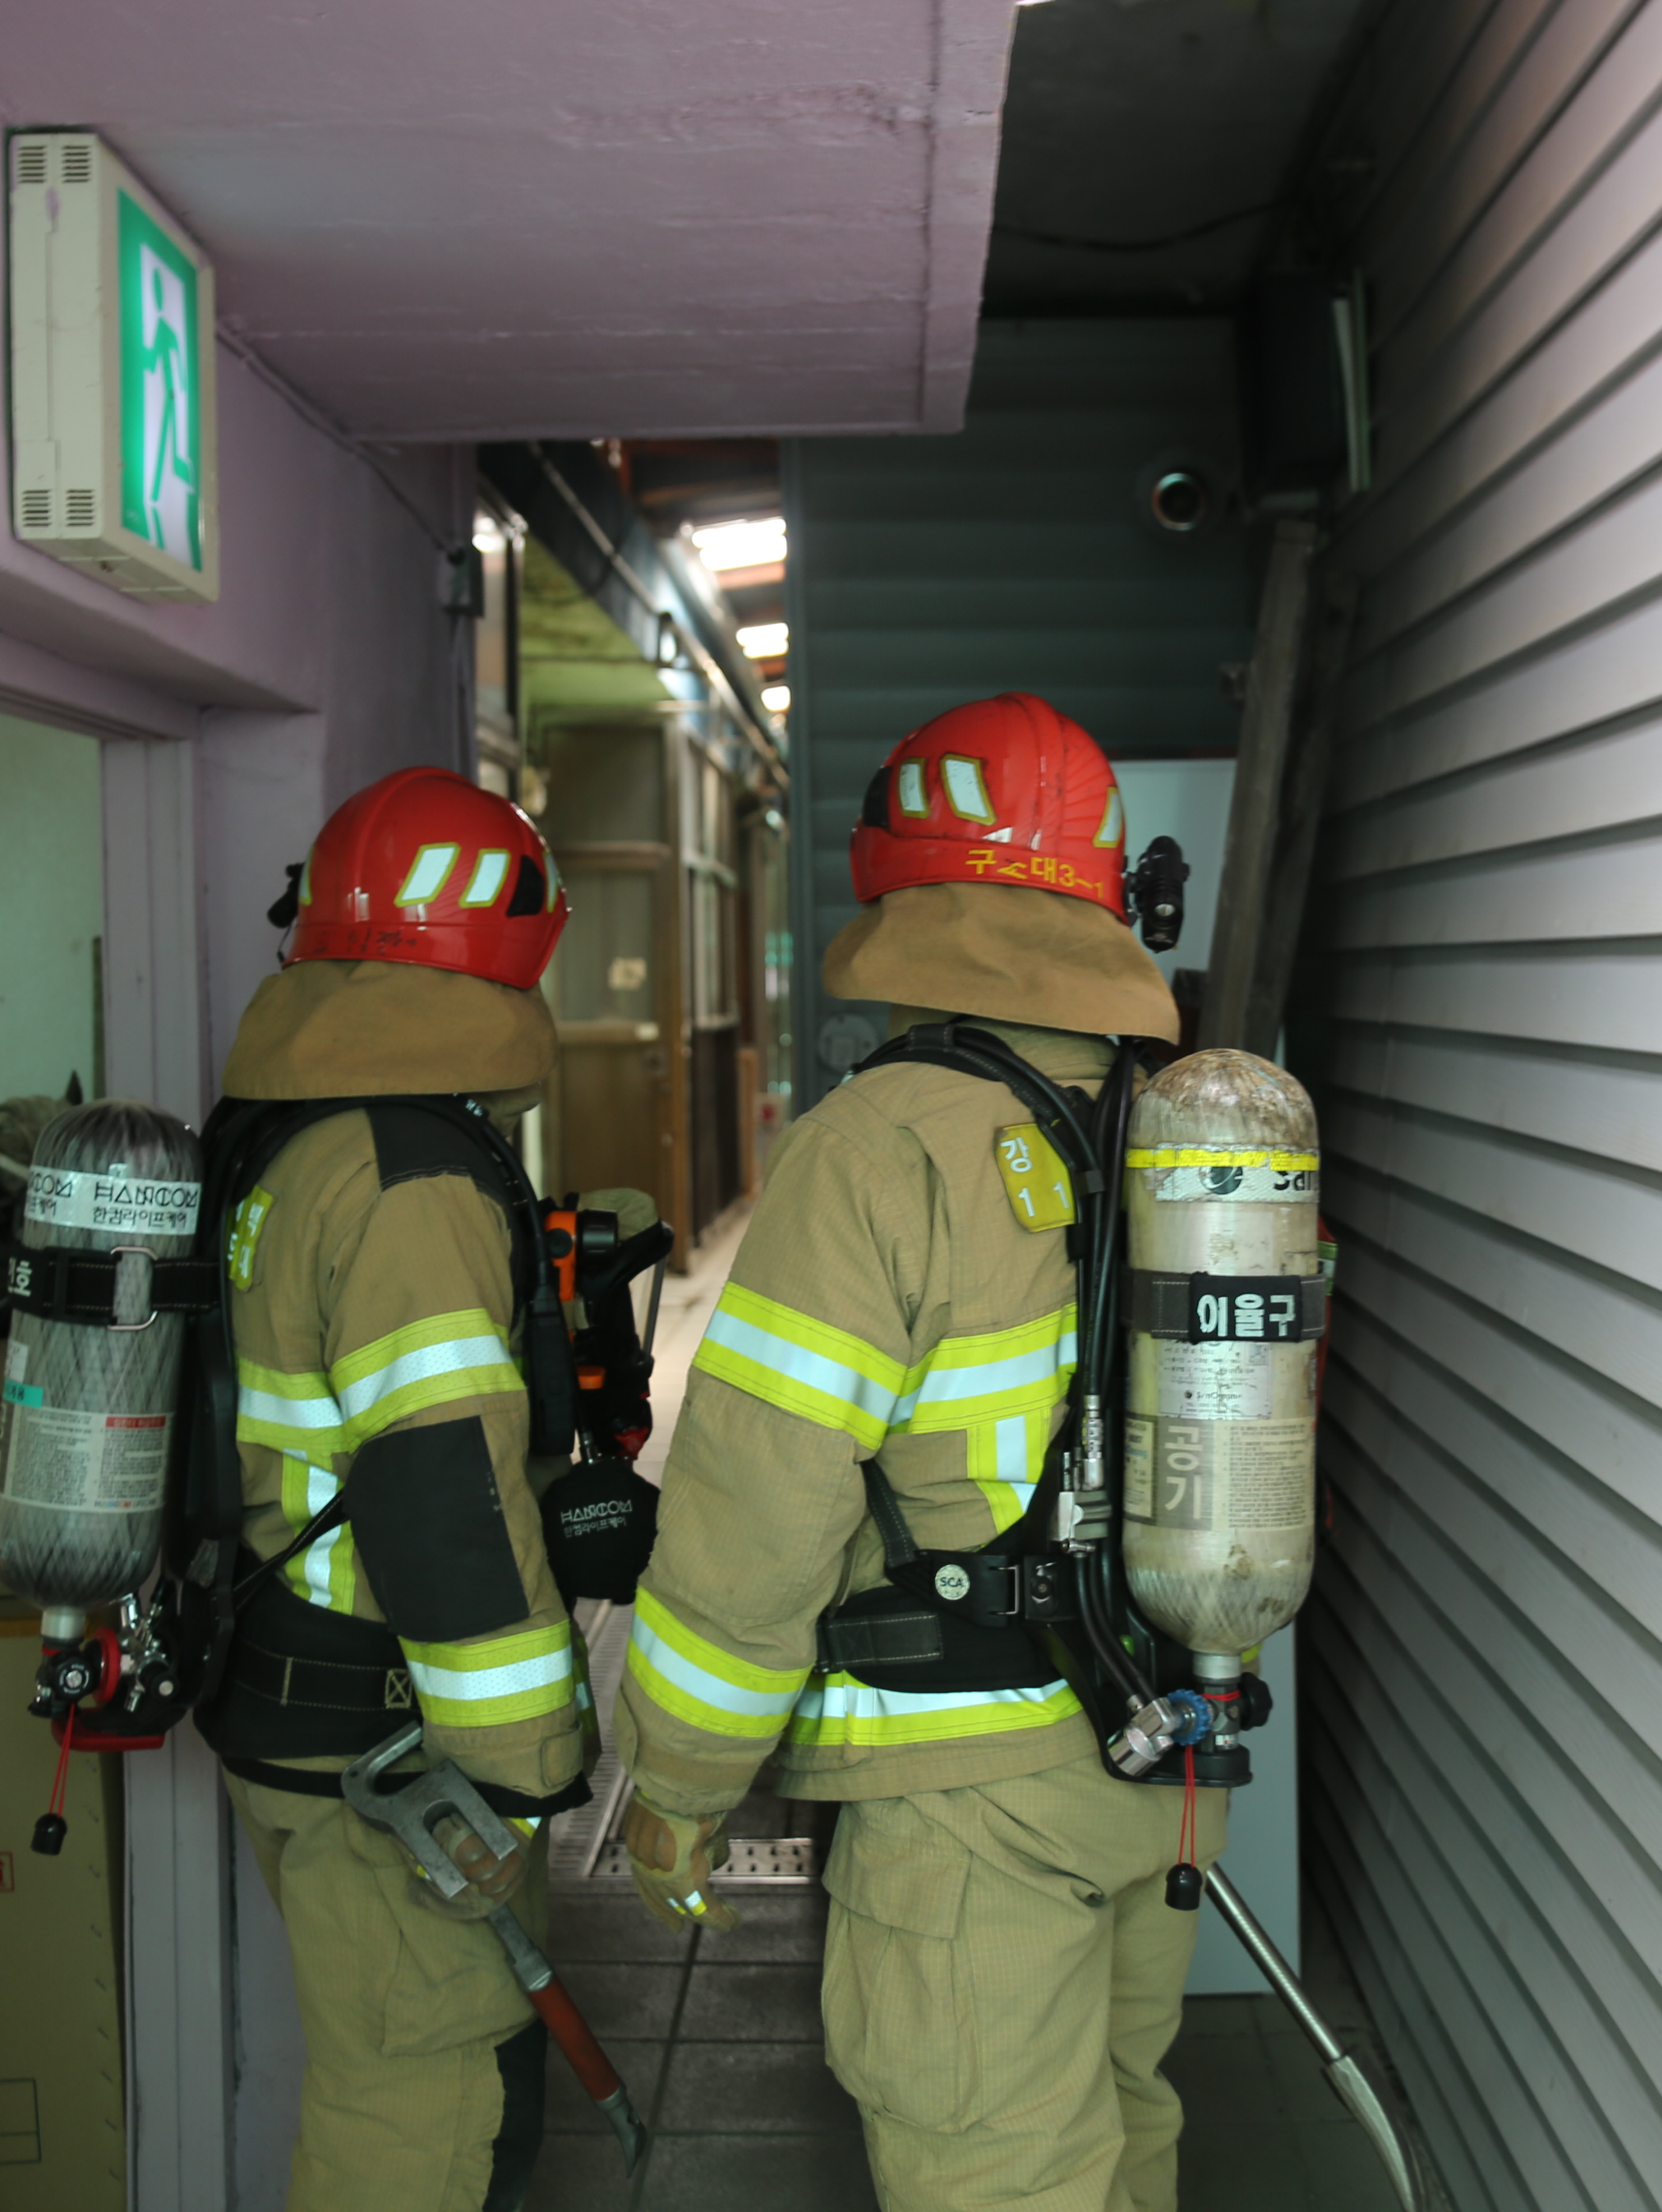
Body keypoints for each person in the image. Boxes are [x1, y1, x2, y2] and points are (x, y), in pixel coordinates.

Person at [613, 694, 1222, 2210]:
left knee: (999, 2177)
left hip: (966, 1803)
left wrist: (680, 1774)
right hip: (1157, 1758)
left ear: (896, 878)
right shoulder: (1174, 1124)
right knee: (1126, 2144)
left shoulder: (876, 1147)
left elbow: (757, 1510)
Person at [192, 766, 609, 2212]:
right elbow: (443, 1489)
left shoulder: (282, 1138)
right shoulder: (408, 1177)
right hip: (391, 1746)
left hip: (287, 1693)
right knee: (421, 2117)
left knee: (396, 2084)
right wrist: (526, 1765)